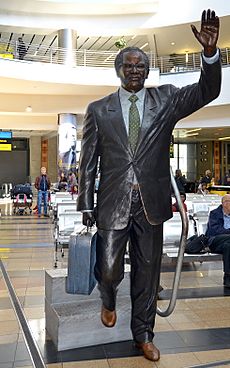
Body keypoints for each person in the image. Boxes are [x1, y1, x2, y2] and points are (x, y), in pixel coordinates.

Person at [77, 9, 221, 362]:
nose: (136, 70)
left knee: (147, 273)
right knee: (109, 268)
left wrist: (210, 55)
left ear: (147, 70)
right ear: (118, 70)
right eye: (129, 65)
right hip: (112, 202)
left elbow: (207, 90)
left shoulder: (166, 99)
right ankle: (107, 297)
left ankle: (143, 334)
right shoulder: (99, 110)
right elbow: (88, 162)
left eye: (141, 66)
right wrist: (85, 204)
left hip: (152, 204)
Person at [205, 194, 230, 288]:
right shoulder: (214, 214)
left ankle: (228, 276)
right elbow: (215, 231)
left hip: (225, 244)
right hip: (214, 241)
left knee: (228, 246)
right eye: (228, 201)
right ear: (223, 203)